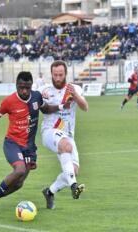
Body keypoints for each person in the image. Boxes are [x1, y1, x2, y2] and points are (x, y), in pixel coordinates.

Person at [0, 71, 69, 214]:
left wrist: (61, 106)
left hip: (29, 147)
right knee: (20, 170)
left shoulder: (36, 97)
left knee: (19, 183)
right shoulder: (9, 101)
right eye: (21, 87)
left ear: (31, 86)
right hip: (12, 143)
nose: (24, 91)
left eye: (27, 88)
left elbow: (45, 109)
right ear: (16, 85)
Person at [40, 60, 89, 210]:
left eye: (61, 74)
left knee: (73, 171)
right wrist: (42, 97)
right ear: (51, 74)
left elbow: (85, 107)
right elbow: (44, 109)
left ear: (65, 74)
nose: (58, 78)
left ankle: (49, 192)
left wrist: (76, 96)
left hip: (67, 134)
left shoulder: (74, 89)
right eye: (55, 75)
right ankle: (74, 186)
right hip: (49, 131)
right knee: (66, 146)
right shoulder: (45, 90)